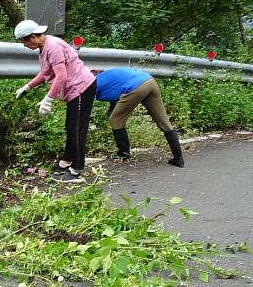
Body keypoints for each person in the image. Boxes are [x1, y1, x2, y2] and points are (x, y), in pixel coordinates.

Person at [14, 20, 96, 183]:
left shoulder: (53, 47)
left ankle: (77, 170)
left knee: (77, 129)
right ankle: (66, 161)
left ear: (32, 37)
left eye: (24, 42)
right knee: (70, 126)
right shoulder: (44, 47)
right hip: (73, 91)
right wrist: (28, 87)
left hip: (81, 88)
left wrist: (48, 99)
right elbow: (46, 72)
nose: (25, 46)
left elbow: (62, 76)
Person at [93, 67, 184, 167]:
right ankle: (179, 159)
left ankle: (123, 154)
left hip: (136, 86)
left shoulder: (94, 82)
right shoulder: (108, 76)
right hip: (149, 81)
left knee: (115, 120)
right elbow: (115, 100)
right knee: (164, 122)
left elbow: (85, 106)